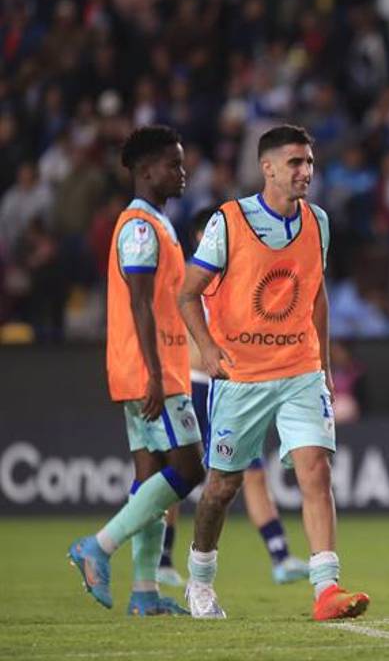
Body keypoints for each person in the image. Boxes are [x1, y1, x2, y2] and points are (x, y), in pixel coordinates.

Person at [177, 124, 369, 621]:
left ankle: (326, 589)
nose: (305, 171)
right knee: (222, 486)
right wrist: (208, 347)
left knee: (315, 469)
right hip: (242, 376)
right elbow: (187, 291)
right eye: (295, 163)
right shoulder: (229, 221)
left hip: (300, 368)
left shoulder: (318, 222)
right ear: (267, 169)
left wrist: (324, 364)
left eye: (309, 162)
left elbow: (317, 292)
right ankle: (199, 578)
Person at [68, 126, 205, 616]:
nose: (182, 172)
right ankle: (98, 547)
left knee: (150, 474)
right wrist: (152, 373)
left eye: (182, 163)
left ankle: (144, 592)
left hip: (152, 367)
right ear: (146, 171)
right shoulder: (141, 228)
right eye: (173, 164)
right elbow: (140, 304)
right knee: (190, 469)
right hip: (153, 371)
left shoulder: (157, 223)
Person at [156, 208, 311, 588]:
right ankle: (161, 558)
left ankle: (280, 556)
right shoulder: (186, 278)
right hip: (190, 384)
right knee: (180, 473)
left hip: (228, 386)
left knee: (248, 474)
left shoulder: (236, 275)